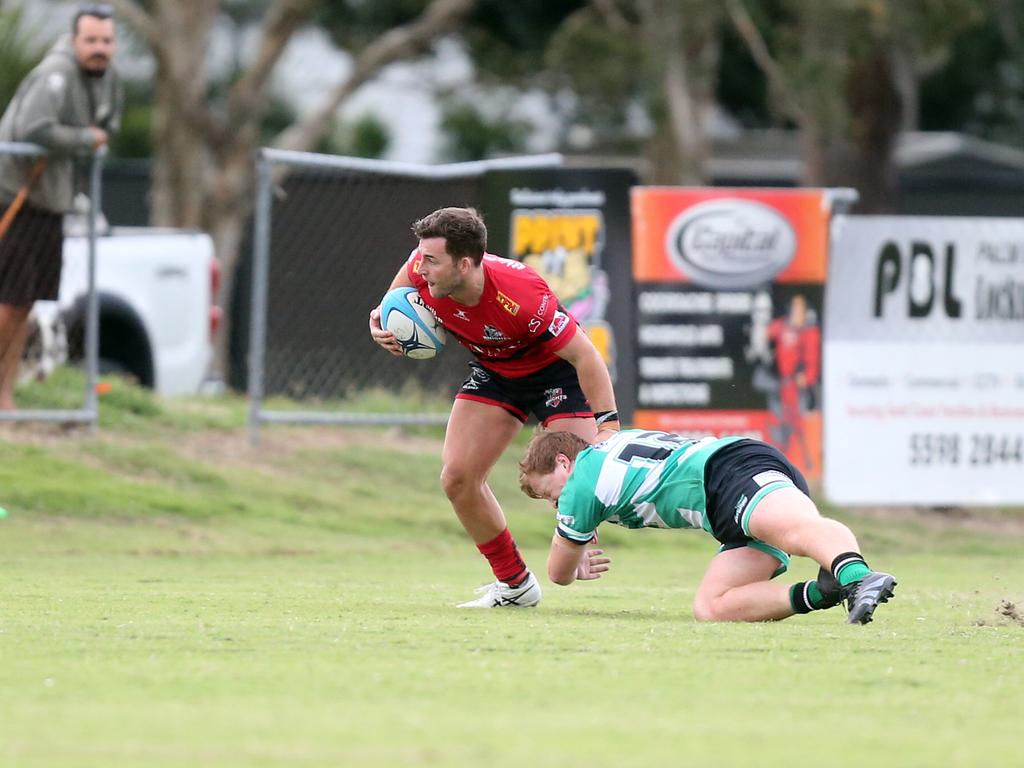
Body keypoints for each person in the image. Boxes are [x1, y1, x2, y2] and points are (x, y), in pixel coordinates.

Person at [368, 207, 620, 608]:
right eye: (421, 257)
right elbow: (389, 305)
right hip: (496, 371)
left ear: (464, 264)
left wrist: (609, 427)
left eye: (433, 260)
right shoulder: (422, 268)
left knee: (588, 483)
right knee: (457, 478)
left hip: (557, 374)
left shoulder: (521, 296)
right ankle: (515, 585)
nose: (422, 268)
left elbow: (586, 357)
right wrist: (380, 324)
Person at [518, 428, 897, 624]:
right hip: (722, 502)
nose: (555, 505)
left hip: (725, 473)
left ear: (564, 463)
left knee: (797, 531)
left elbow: (557, 572)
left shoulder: (581, 483)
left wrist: (573, 558)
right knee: (712, 606)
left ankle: (858, 575)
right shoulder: (609, 447)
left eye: (548, 493)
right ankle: (824, 591)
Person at [0, 3, 121, 410]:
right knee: (9, 301)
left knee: (24, 304)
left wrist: (96, 135)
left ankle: (4, 395)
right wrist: (85, 139)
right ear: (75, 41)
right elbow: (32, 129)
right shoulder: (57, 73)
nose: (99, 48)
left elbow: (109, 124)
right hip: (15, 196)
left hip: (50, 203)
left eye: (106, 40)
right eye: (91, 40)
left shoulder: (106, 79)